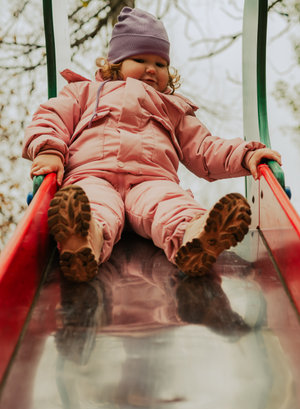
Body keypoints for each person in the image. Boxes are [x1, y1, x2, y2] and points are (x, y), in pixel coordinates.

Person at [22, 7, 281, 283]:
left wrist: (245, 155)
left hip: (152, 181)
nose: (151, 69)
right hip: (92, 175)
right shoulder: (84, 92)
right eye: (140, 58)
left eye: (160, 64)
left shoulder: (173, 108)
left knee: (170, 205)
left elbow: (204, 149)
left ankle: (198, 235)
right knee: (91, 205)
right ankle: (82, 241)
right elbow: (52, 117)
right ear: (115, 64)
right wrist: (50, 150)